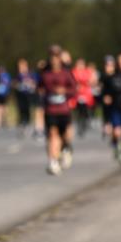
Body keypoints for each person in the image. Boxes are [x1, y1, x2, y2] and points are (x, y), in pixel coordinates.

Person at [38, 46, 78, 175]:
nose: (54, 59)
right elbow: (38, 88)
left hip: (64, 110)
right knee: (52, 135)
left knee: (65, 135)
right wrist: (41, 93)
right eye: (51, 57)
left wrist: (64, 91)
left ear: (60, 58)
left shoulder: (66, 73)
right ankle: (52, 162)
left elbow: (74, 90)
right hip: (50, 110)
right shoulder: (45, 73)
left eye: (56, 56)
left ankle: (66, 149)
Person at [13, 58, 38, 138]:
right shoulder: (18, 75)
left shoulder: (30, 74)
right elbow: (14, 84)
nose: (21, 68)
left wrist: (30, 84)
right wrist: (18, 85)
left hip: (28, 96)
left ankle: (28, 125)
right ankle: (22, 126)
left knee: (28, 111)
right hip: (20, 96)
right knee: (21, 111)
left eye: (22, 66)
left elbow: (35, 84)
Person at [72, 57, 94, 134]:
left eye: (82, 64)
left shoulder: (87, 71)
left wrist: (87, 83)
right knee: (78, 108)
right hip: (77, 93)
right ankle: (79, 122)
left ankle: (86, 119)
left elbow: (91, 81)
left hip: (86, 93)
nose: (80, 66)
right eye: (79, 64)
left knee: (86, 108)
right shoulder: (74, 71)